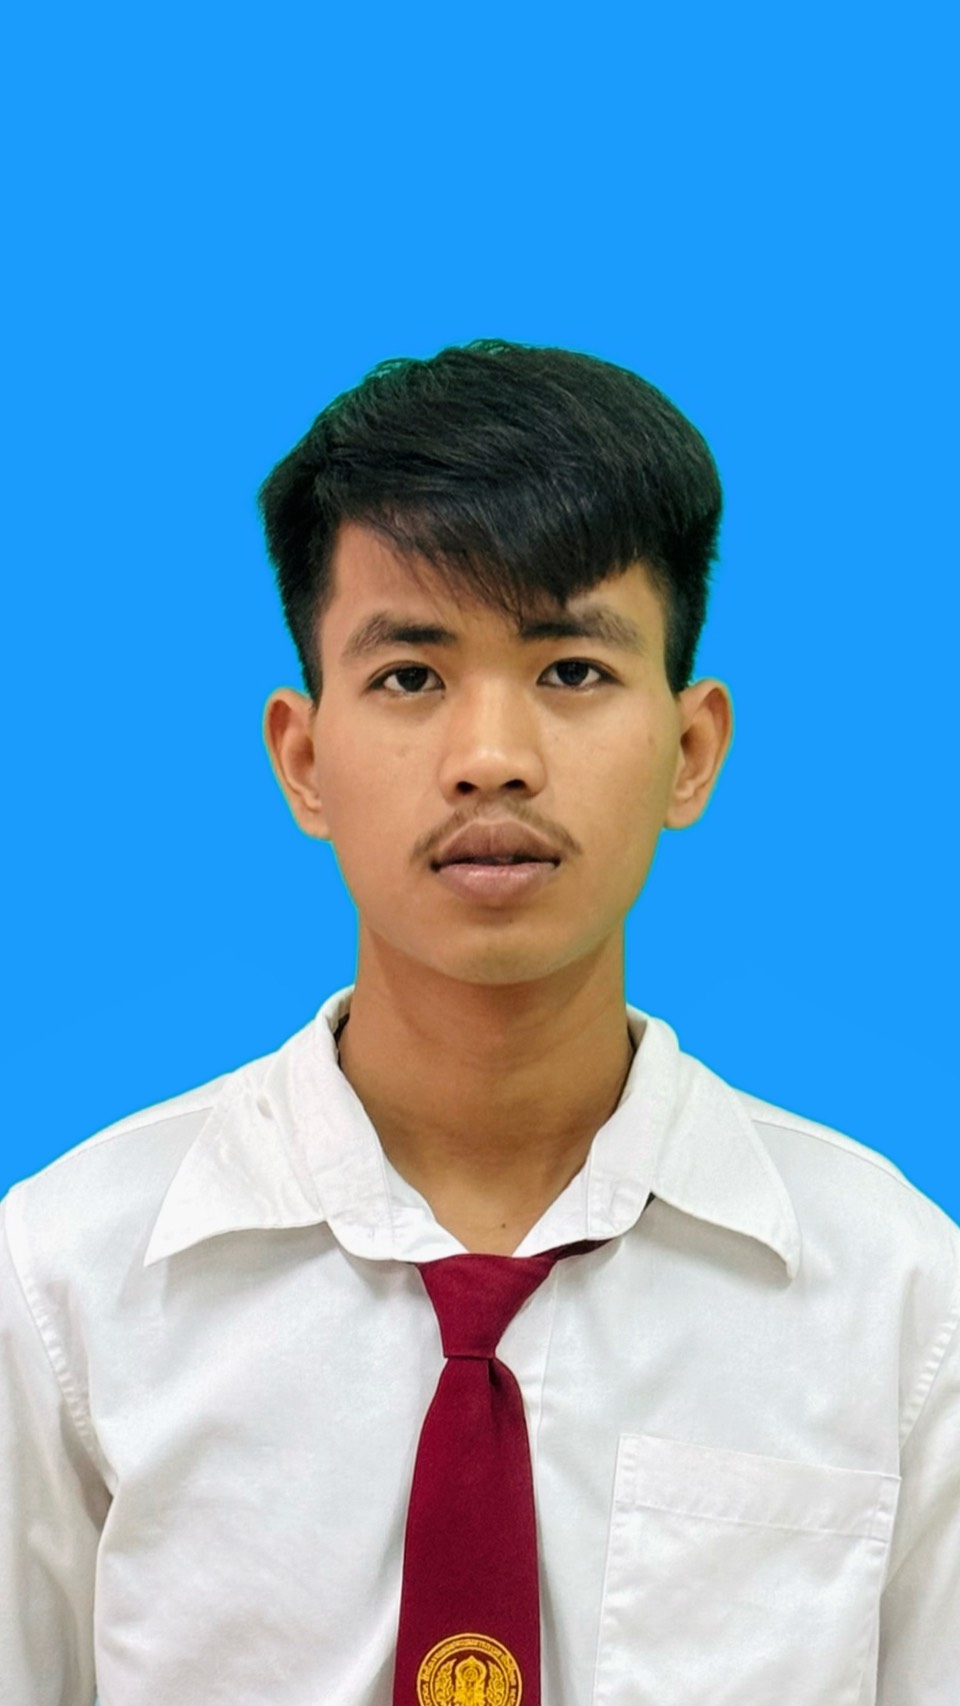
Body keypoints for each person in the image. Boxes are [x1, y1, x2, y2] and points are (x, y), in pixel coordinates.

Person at [1, 339, 957, 1705]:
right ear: (303, 758)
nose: (491, 757)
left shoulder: (899, 1303)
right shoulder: (64, 1287)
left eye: (571, 669)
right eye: (410, 675)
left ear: (690, 750)